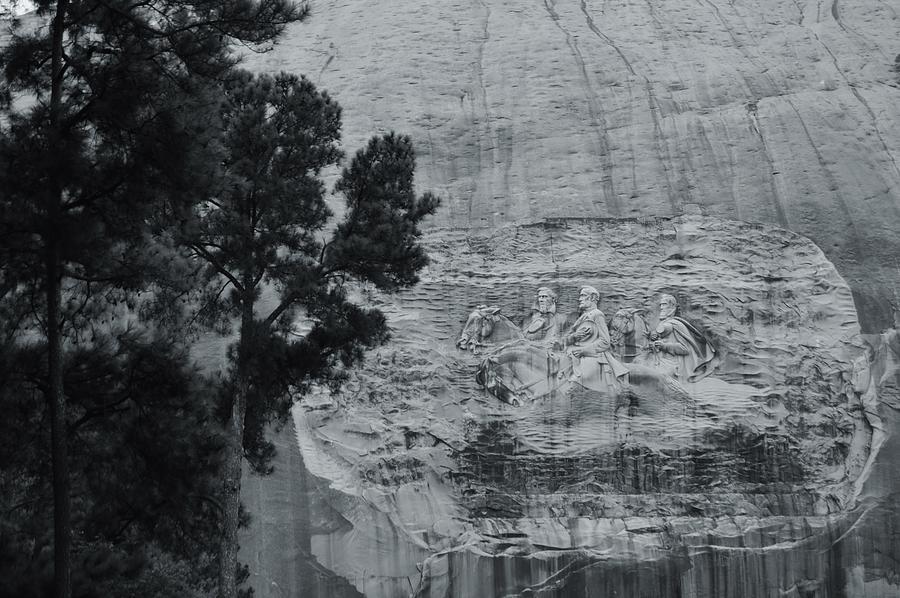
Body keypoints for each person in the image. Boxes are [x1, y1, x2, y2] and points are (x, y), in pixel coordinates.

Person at [555, 286, 629, 390]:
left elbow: (605, 342)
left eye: (583, 295)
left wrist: (583, 350)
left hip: (592, 357)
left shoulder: (597, 315)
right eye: (580, 296)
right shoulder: (583, 316)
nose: (579, 299)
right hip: (573, 355)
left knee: (573, 385)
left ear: (593, 298)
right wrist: (574, 336)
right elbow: (567, 338)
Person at [649, 294, 715, 381]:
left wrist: (664, 346)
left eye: (664, 304)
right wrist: (653, 343)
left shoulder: (677, 325)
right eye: (660, 305)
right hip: (657, 361)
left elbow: (685, 349)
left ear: (672, 306)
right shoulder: (663, 323)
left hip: (672, 365)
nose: (661, 307)